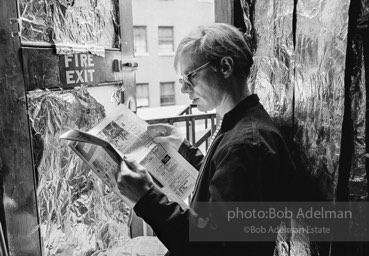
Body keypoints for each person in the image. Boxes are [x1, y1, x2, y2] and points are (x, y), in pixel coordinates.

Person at [115, 23, 298, 256]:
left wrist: (147, 197)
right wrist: (184, 150)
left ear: (225, 66)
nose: (183, 88)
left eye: (189, 76)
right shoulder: (242, 126)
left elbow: (214, 246)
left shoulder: (245, 144)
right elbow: (228, 183)